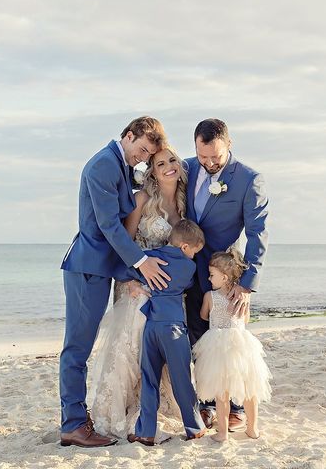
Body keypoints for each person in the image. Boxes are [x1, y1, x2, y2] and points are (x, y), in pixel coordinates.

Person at [59, 116, 172, 448]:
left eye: (145, 155)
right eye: (139, 150)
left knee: (82, 347)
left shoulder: (121, 164)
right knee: (77, 349)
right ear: (128, 134)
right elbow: (109, 226)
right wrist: (140, 262)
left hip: (104, 269)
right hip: (87, 268)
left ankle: (77, 420)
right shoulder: (103, 165)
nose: (140, 158)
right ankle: (73, 425)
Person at [88, 145, 188, 440]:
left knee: (161, 349)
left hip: (166, 291)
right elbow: (122, 243)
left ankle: (153, 409)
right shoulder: (141, 199)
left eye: (172, 160)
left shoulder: (184, 206)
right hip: (135, 285)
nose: (169, 166)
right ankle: (127, 411)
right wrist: (130, 280)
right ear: (153, 173)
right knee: (132, 348)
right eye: (160, 164)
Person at [185, 118, 269, 431]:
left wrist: (246, 285)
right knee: (198, 340)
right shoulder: (187, 167)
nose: (208, 163)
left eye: (215, 158)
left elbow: (258, 233)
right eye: (202, 156)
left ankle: (236, 408)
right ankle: (208, 403)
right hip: (188, 274)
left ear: (229, 145)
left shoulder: (249, 179)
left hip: (224, 278)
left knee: (231, 341)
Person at [113, 219, 207, 446]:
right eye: (194, 252)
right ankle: (194, 426)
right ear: (185, 247)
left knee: (149, 379)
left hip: (151, 327)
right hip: (173, 329)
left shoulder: (151, 257)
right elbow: (188, 284)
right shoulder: (189, 267)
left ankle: (146, 431)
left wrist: (136, 279)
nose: (194, 257)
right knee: (181, 378)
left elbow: (124, 269)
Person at [193, 249, 272, 442]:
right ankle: (252, 429)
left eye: (212, 275)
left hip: (217, 347)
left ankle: (223, 433)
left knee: (222, 393)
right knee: (249, 389)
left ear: (225, 277)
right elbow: (246, 318)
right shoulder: (243, 296)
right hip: (241, 345)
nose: (209, 279)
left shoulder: (210, 296)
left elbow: (204, 316)